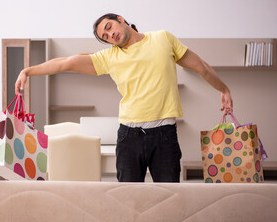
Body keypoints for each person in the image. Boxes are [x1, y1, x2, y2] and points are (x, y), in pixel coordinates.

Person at [15, 13, 233, 183]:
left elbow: (201, 66)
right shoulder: (109, 57)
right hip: (129, 138)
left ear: (120, 19)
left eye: (109, 27)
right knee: (127, 199)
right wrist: (28, 71)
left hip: (164, 136)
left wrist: (223, 89)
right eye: (105, 37)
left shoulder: (163, 38)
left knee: (169, 198)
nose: (110, 35)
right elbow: (66, 62)